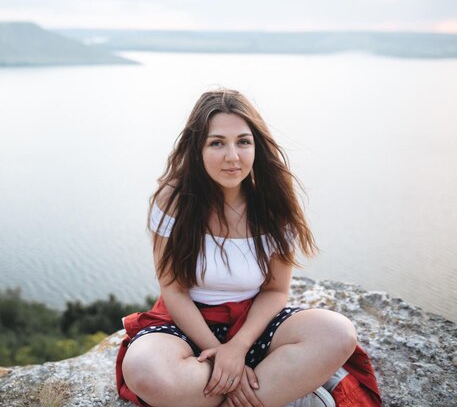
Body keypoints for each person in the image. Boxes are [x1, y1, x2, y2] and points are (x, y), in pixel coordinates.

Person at [115, 89, 380, 407]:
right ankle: (274, 391)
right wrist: (220, 353)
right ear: (197, 148)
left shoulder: (273, 205)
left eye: (243, 141)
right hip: (184, 325)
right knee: (143, 369)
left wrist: (237, 349)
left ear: (256, 145)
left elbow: (275, 291)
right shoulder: (172, 200)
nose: (232, 156)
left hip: (254, 325)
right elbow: (173, 289)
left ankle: (229, 397)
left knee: (338, 333)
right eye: (217, 143)